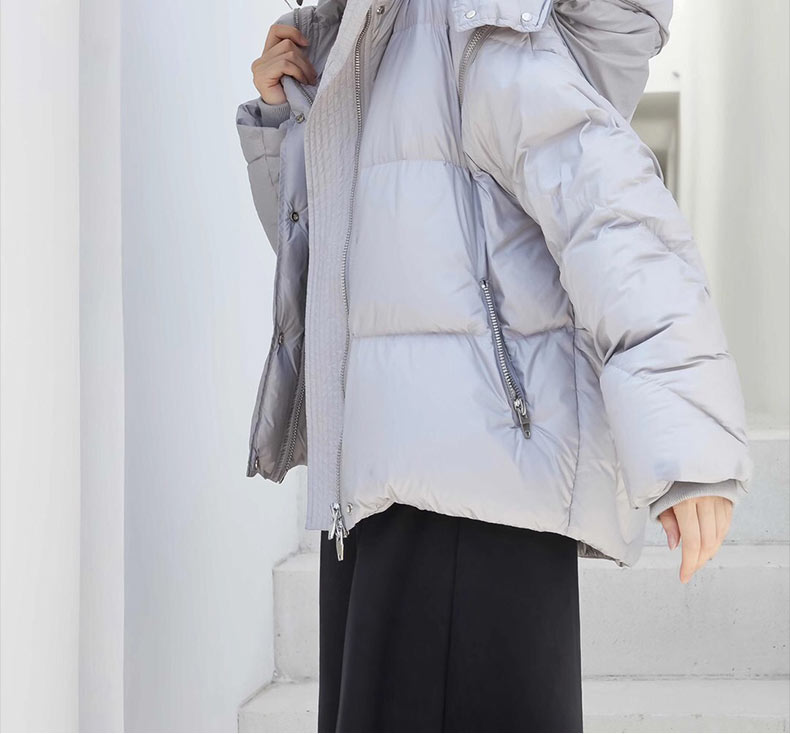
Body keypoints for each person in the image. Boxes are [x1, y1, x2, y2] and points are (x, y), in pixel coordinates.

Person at [236, 0, 753, 731]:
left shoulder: (472, 27)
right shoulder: (371, 38)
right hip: (371, 500)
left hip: (471, 501)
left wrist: (687, 440)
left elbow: (609, 214)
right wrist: (289, 118)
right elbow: (339, 281)